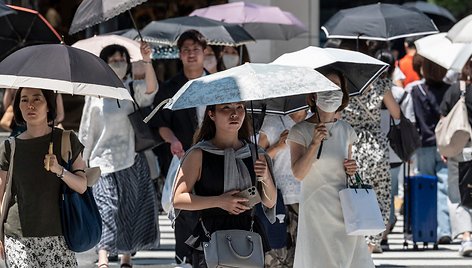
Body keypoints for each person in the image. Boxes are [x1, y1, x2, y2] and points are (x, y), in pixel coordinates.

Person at [78, 42, 160, 268]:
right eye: (113, 60)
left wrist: (147, 61)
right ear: (103, 64)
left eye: (122, 59)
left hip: (131, 160)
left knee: (129, 210)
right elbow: (86, 131)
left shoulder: (132, 90)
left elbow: (152, 90)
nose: (119, 64)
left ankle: (126, 257)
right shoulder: (94, 95)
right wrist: (81, 163)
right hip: (101, 162)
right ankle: (103, 259)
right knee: (106, 209)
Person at [172, 101, 277, 267]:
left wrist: (266, 177)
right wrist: (220, 201)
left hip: (247, 237)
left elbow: (270, 202)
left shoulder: (256, 153)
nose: (234, 114)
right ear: (211, 114)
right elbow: (178, 199)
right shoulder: (199, 154)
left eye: (239, 107)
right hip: (210, 238)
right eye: (226, 108)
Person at [288, 66, 374, 267]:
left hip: (345, 208)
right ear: (313, 94)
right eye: (325, 85)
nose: (331, 91)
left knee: (347, 259)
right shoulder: (299, 131)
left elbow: (348, 171)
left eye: (336, 86)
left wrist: (352, 168)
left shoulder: (346, 130)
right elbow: (298, 173)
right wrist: (314, 143)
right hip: (316, 209)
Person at [0, 87, 87, 267]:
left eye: (37, 99)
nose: (30, 105)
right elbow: (0, 195)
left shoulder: (66, 140)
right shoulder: (10, 147)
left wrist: (59, 170)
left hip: (59, 237)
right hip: (18, 238)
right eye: (24, 100)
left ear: (49, 105)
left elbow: (82, 185)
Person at [153, 29, 209, 265]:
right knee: (184, 210)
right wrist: (172, 140)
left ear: (205, 52)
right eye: (186, 50)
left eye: (196, 49)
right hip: (182, 157)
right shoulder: (170, 87)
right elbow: (159, 123)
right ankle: (184, 258)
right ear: (179, 54)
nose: (191, 54)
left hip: (212, 156)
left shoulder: (217, 82)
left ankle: (208, 255)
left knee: (209, 209)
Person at [342, 48, 401, 253]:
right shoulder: (380, 85)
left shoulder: (345, 88)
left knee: (357, 195)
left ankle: (357, 242)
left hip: (352, 146)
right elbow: (396, 112)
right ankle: (371, 242)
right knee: (381, 196)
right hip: (376, 145)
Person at [258, 109, 307, 267]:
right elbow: (257, 160)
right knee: (275, 257)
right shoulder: (273, 121)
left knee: (304, 258)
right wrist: (278, 146)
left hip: (307, 199)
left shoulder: (316, 120)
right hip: (276, 199)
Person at [411, 57, 452, 245]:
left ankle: (428, 228)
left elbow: (415, 118)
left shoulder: (416, 90)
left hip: (424, 143)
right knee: (444, 188)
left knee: (426, 186)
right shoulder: (450, 90)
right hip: (445, 143)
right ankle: (444, 229)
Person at [439, 57, 472, 257]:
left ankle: (466, 237)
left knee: (458, 195)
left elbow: (443, 119)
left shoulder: (456, 89)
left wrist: (445, 147)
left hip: (461, 148)